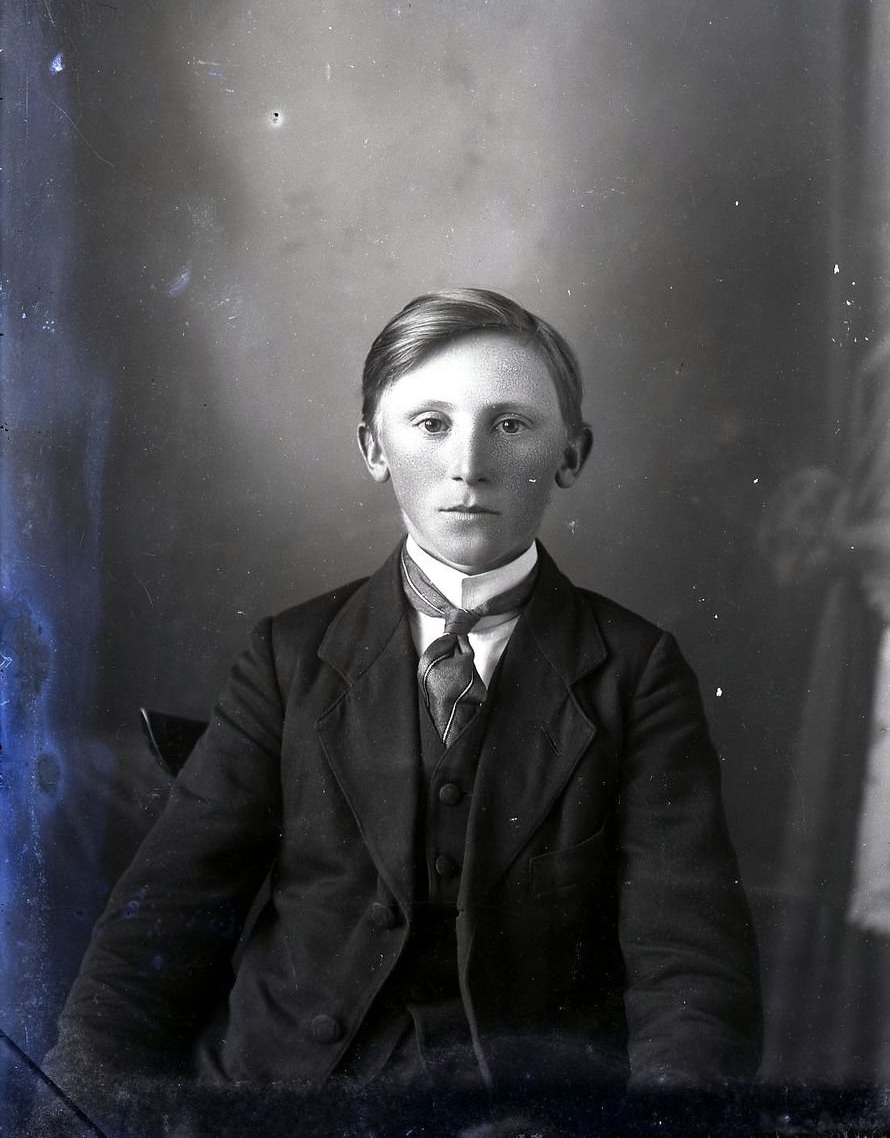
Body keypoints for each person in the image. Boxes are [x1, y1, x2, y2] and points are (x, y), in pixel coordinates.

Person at [44, 289, 761, 1128]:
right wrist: (70, 1115)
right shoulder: (291, 656)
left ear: (571, 453)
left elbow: (691, 969)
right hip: (278, 1100)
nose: (468, 465)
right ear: (373, 448)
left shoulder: (636, 673)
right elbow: (162, 922)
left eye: (510, 425)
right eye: (431, 424)